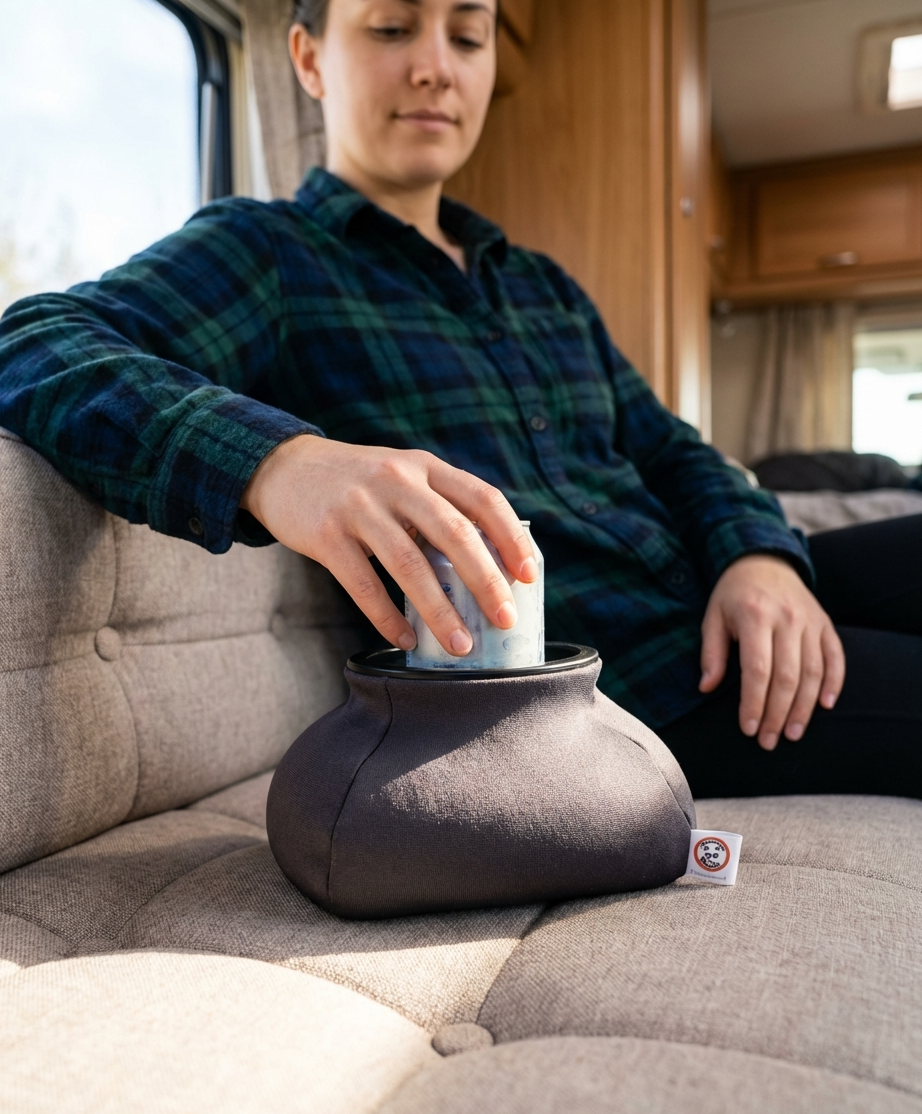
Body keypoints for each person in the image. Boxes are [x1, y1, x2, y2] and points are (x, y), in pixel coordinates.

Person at [0, 0, 918, 796]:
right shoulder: (268, 252)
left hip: (718, 582)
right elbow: (32, 343)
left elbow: (673, 448)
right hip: (637, 683)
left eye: (469, 37)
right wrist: (278, 463)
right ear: (309, 60)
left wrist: (758, 555)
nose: (436, 66)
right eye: (392, 28)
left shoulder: (542, 285)